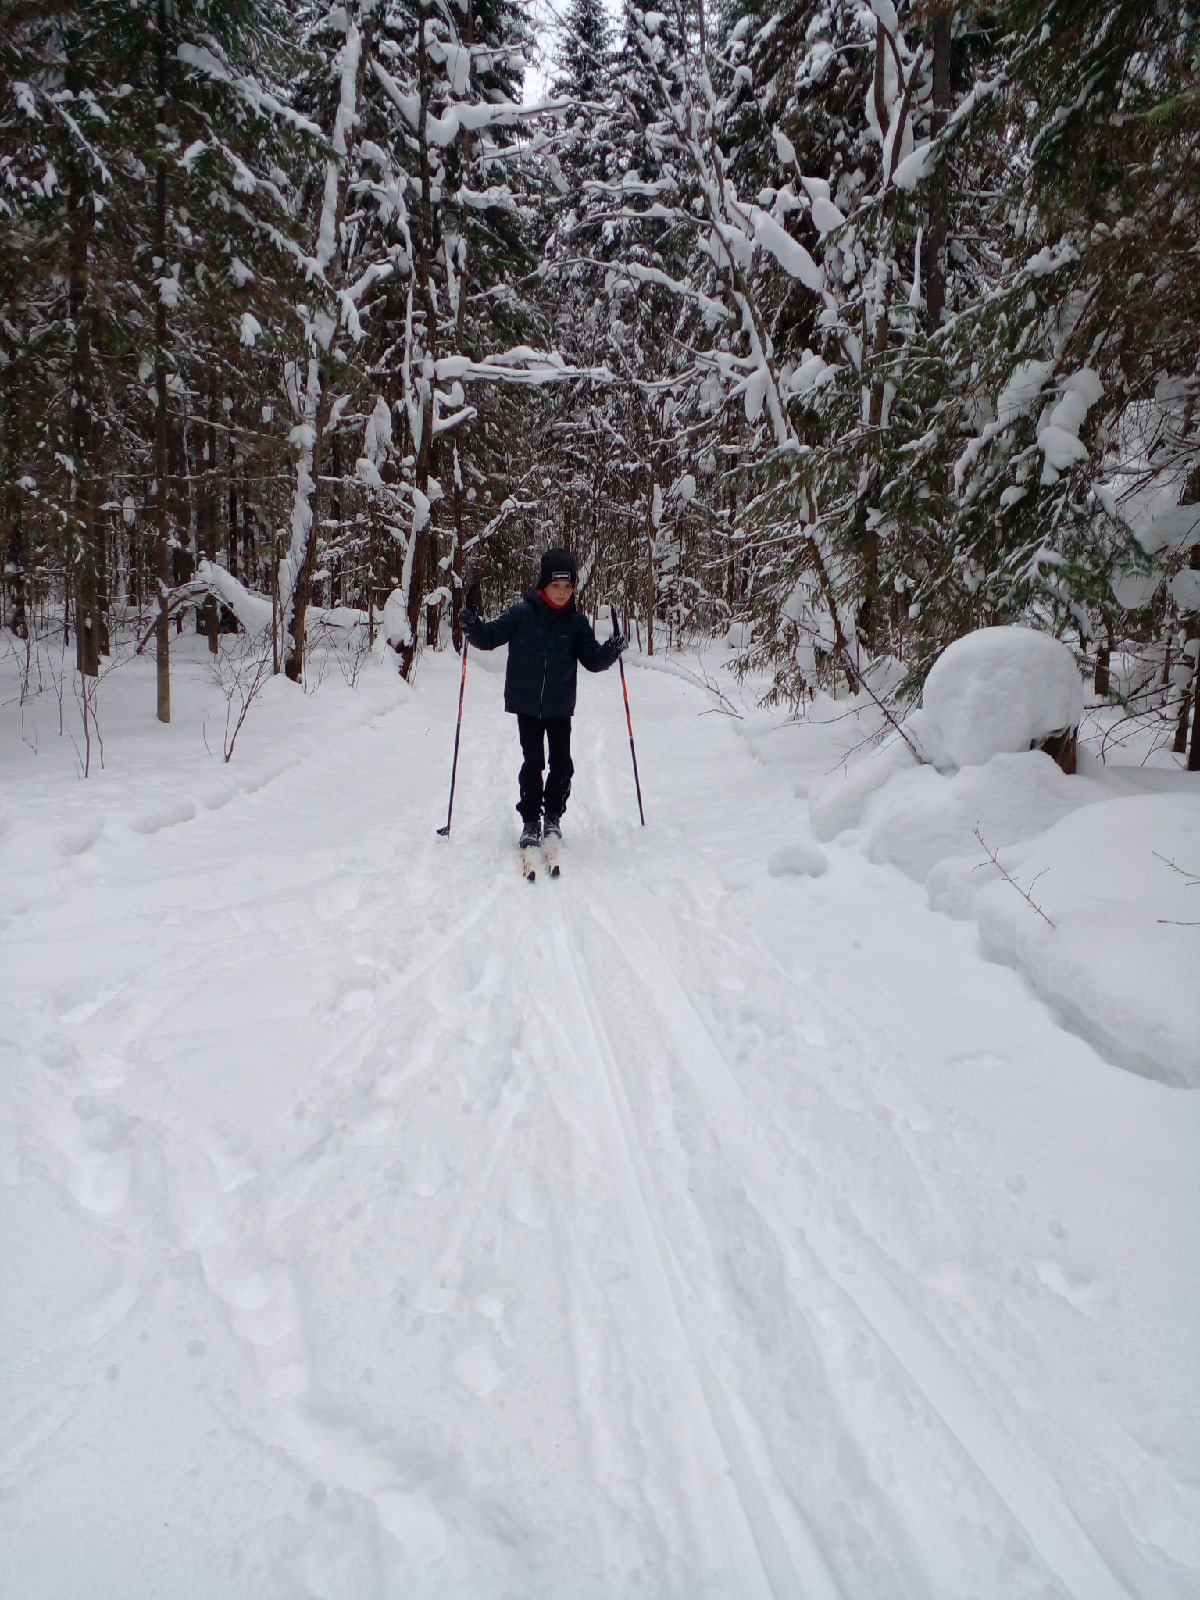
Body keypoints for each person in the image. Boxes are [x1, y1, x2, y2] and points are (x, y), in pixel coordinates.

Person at [458, 548, 626, 848]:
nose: (561, 593)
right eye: (555, 586)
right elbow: (489, 637)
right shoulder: (522, 614)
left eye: (567, 587)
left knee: (562, 764)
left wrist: (611, 649)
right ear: (543, 585)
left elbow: (593, 660)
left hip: (560, 706)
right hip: (527, 703)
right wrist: (472, 625)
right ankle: (530, 821)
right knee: (533, 763)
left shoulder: (576, 623)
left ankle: (553, 817)